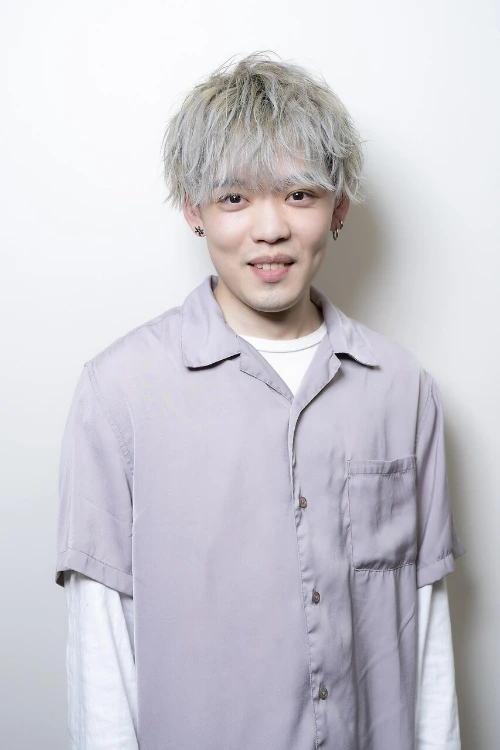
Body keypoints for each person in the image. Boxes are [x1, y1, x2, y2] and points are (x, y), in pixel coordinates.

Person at [55, 51, 465, 750]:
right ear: (193, 210)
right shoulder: (119, 392)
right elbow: (103, 656)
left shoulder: (402, 387)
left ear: (338, 207)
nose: (270, 229)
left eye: (300, 195)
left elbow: (426, 630)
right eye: (234, 198)